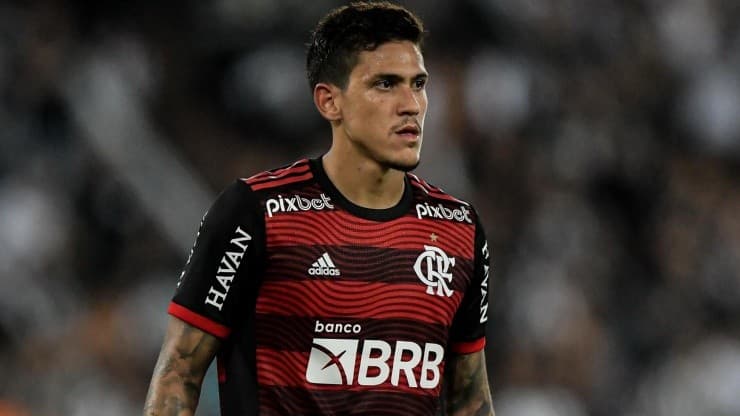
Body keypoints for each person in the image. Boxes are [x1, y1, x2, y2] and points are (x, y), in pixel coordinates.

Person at [143, 2, 495, 415]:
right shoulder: (257, 213)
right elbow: (179, 372)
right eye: (385, 84)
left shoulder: (458, 229)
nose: (411, 105)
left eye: (418, 84)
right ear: (330, 102)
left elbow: (470, 399)